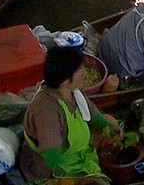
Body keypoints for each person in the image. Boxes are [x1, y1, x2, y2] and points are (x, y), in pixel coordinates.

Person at [19, 47, 117, 185]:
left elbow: (91, 113)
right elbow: (51, 155)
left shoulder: (73, 91)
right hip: (53, 168)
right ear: (64, 79)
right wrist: (75, 178)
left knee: (109, 120)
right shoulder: (47, 111)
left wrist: (108, 127)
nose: (84, 72)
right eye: (79, 70)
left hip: (75, 155)